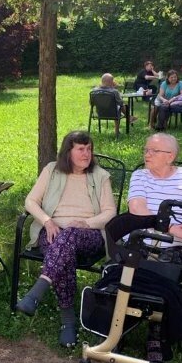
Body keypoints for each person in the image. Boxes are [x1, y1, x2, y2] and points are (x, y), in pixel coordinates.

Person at [16, 130, 116, 347]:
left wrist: (86, 223)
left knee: (69, 235)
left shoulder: (100, 176)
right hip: (53, 231)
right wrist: (47, 221)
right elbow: (30, 201)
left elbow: (110, 212)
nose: (86, 154)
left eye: (89, 149)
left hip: (89, 235)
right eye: (81, 149)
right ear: (68, 152)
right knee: (64, 251)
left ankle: (38, 293)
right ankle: (68, 323)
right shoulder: (51, 170)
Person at [127, 133, 182, 361]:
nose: (146, 154)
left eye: (153, 151)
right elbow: (137, 210)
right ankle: (122, 321)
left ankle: (156, 331)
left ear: (170, 156)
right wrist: (172, 228)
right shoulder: (140, 176)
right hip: (141, 238)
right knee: (125, 269)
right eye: (145, 150)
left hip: (173, 246)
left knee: (164, 274)